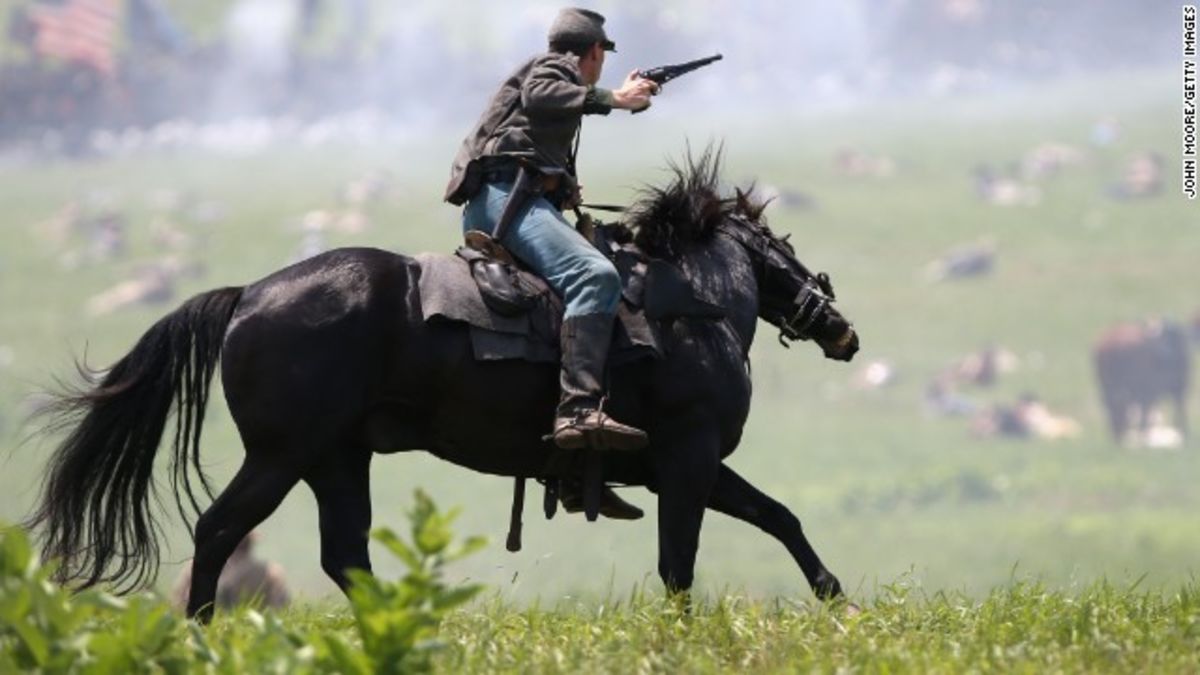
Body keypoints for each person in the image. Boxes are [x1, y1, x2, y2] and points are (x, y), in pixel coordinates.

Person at [445, 9, 656, 454]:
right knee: (595, 277)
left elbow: (529, 132)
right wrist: (616, 99)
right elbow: (542, 95)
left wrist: (561, 186)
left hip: (504, 200)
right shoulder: (555, 65)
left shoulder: (555, 71)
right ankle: (578, 409)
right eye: (601, 57)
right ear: (595, 52)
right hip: (509, 202)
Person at [171, 531, 290, 611]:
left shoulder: (197, 566)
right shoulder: (271, 572)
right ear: (250, 543)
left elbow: (177, 603)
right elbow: (280, 609)